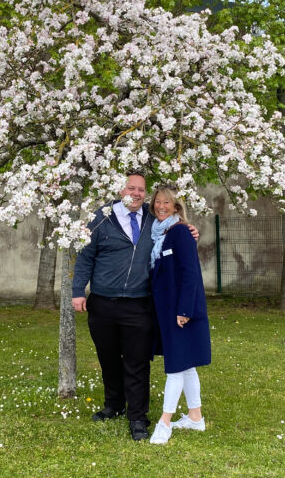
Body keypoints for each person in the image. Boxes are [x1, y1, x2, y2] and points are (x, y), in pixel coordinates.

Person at [71, 171, 198, 441]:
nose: (137, 194)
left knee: (137, 362)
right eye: (132, 188)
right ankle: (113, 405)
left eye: (141, 190)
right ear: (121, 190)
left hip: (139, 304)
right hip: (103, 302)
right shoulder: (101, 216)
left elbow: (175, 231)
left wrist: (190, 231)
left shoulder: (155, 220)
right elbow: (85, 255)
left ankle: (138, 417)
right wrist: (77, 291)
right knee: (108, 358)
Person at [146, 184, 211, 445]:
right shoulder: (159, 234)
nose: (161, 207)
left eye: (167, 203)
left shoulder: (181, 232)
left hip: (181, 312)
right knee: (186, 365)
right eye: (158, 203)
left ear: (176, 207)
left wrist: (184, 310)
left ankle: (165, 422)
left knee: (175, 366)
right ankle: (196, 418)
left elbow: (191, 273)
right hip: (167, 311)